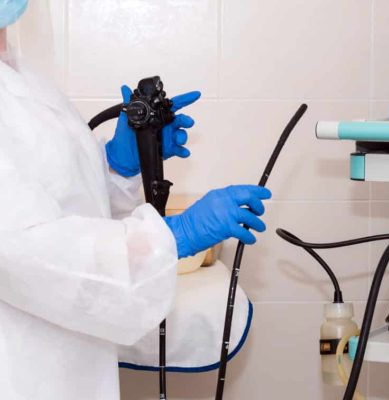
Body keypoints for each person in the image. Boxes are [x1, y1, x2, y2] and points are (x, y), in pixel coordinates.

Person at [0, 1, 271, 399]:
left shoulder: (23, 80)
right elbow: (25, 247)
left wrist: (116, 167)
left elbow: (62, 202)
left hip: (67, 365)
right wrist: (175, 236)